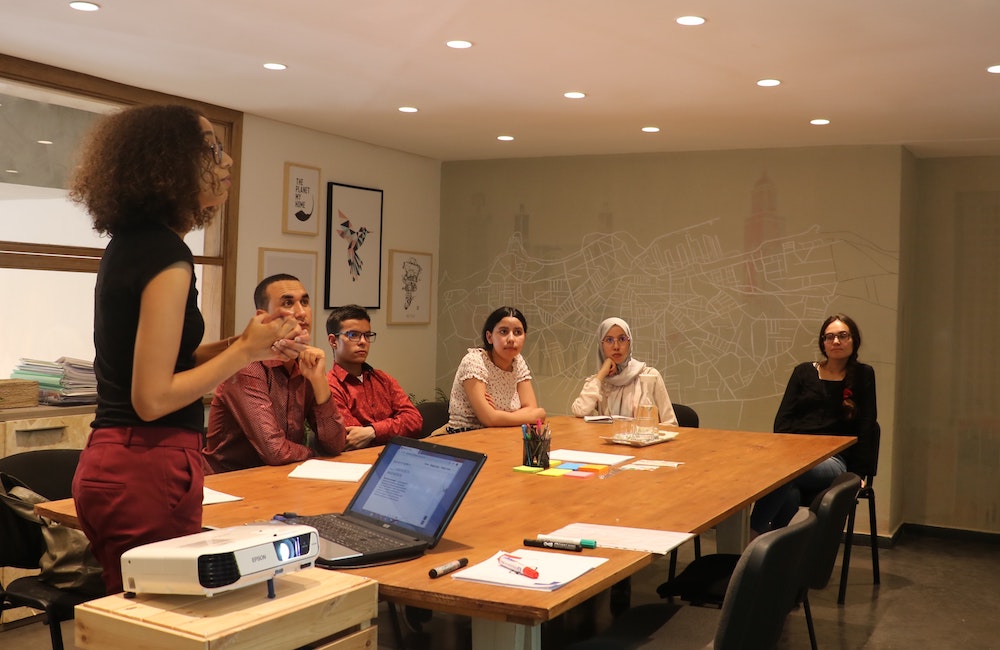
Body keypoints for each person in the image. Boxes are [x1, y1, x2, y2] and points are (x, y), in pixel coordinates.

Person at [69, 105, 307, 594]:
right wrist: (243, 355)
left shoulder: (134, 244)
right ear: (169, 163)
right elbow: (152, 398)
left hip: (121, 460)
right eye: (212, 148)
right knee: (159, 623)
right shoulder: (166, 254)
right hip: (145, 466)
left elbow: (171, 361)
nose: (227, 161)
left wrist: (248, 343)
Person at [750, 313, 878, 535]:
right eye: (829, 337)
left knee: (785, 472)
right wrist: (785, 451)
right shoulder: (804, 372)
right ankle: (779, 550)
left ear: (853, 340)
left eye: (842, 335)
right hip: (794, 456)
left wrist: (858, 474)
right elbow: (783, 421)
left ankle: (753, 532)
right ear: (823, 343)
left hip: (834, 460)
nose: (835, 342)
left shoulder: (863, 375)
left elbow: (866, 426)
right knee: (789, 489)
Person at [204, 275, 347, 472]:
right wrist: (315, 456)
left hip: (283, 479)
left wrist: (319, 381)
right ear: (263, 317)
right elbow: (275, 451)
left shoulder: (306, 362)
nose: (301, 313)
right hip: (228, 484)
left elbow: (336, 444)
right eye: (288, 303)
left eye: (304, 302)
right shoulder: (248, 366)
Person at [325, 304, 423, 449]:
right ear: (333, 341)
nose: (363, 342)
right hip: (358, 464)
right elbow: (352, 439)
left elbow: (414, 420)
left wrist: (372, 431)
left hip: (394, 458)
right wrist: (392, 428)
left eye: (367, 335)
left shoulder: (383, 379)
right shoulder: (330, 386)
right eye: (353, 335)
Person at [446, 306, 546, 432]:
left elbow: (532, 408)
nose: (511, 339)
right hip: (465, 434)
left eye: (517, 332)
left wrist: (497, 413)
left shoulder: (518, 361)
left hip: (502, 433)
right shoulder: (474, 361)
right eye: (504, 332)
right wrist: (526, 416)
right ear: (489, 337)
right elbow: (488, 419)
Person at [571, 317, 678, 426]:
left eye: (622, 339)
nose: (616, 346)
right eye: (609, 340)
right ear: (601, 345)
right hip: (609, 441)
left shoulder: (649, 376)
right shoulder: (600, 382)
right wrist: (601, 373)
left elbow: (671, 424)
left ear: (629, 342)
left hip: (646, 441)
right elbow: (580, 411)